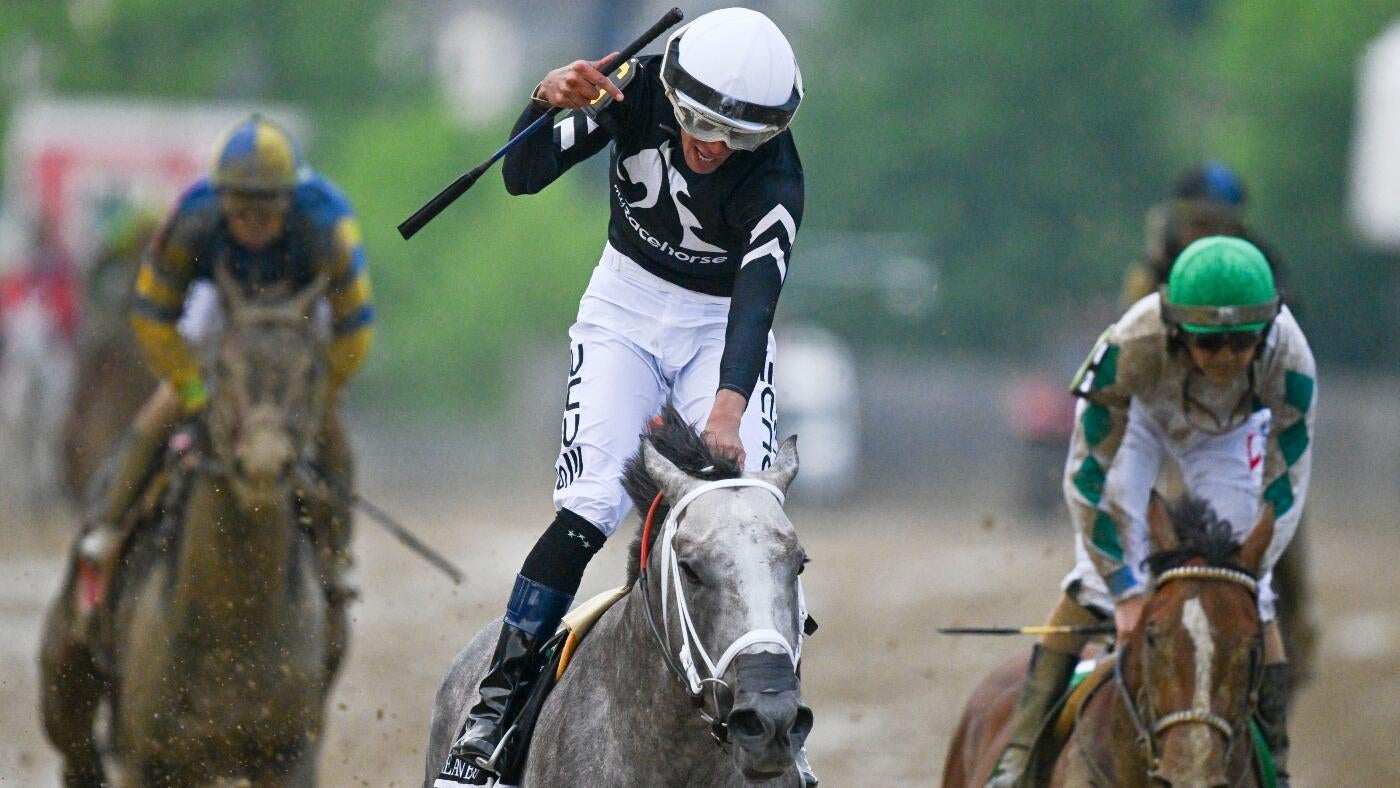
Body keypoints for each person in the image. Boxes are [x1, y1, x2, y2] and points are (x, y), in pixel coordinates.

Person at [451, 7, 813, 784]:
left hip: (720, 326)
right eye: (701, 126)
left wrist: (727, 409)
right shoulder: (633, 91)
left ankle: (779, 718)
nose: (713, 147)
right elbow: (521, 176)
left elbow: (756, 303)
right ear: (674, 97)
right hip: (624, 308)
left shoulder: (779, 179)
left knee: (748, 516)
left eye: (736, 138)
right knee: (588, 508)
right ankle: (494, 708)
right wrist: (544, 99)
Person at [988, 237, 1315, 787]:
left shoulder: (1292, 361)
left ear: (1268, 329)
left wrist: (1245, 574)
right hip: (1138, 417)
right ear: (1176, 329)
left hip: (1229, 432)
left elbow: (1285, 490)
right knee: (1095, 577)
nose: (1227, 357)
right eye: (1210, 342)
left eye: (1243, 341)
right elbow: (1087, 479)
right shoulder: (1131, 343)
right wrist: (1124, 590)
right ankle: (1019, 758)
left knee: (1250, 593)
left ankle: (1275, 765)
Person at [68, 115, 374, 659]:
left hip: (297, 332)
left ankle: (336, 553)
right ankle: (109, 530)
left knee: (330, 431)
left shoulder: (326, 224)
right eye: (240, 211)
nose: (252, 224)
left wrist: (316, 398)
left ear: (290, 202)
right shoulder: (193, 217)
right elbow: (152, 315)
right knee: (160, 411)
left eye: (266, 212)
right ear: (220, 201)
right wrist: (192, 389)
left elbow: (355, 330)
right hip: (219, 319)